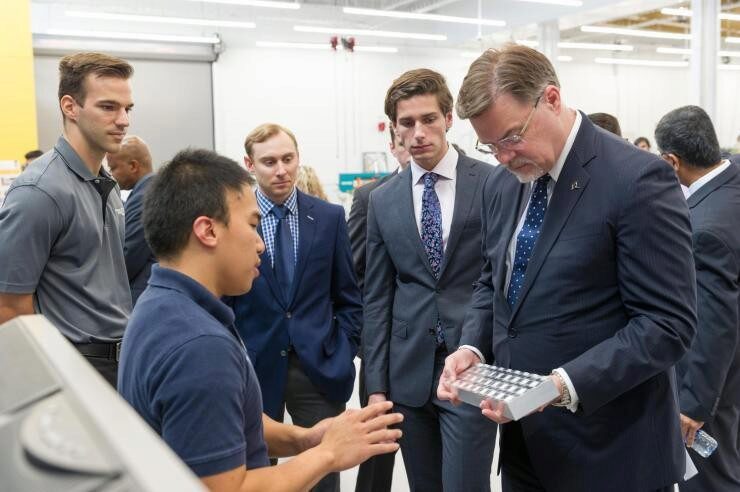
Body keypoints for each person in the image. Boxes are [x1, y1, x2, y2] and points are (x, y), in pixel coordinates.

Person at [438, 45, 697, 492]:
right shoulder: (504, 184)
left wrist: (562, 384)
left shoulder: (637, 180)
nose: (501, 156)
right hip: (526, 448)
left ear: (552, 99)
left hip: (611, 452)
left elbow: (667, 324)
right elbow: (491, 283)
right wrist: (473, 349)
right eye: (489, 144)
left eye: (511, 136)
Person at [118, 148, 403, 492]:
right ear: (207, 231)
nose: (261, 244)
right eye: (253, 226)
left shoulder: (162, 305)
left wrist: (304, 439)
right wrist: (328, 454)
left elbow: (227, 422)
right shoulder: (201, 349)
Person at [363, 68, 497, 492]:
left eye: (428, 119)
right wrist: (376, 386)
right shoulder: (382, 199)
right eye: (407, 123)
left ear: (448, 118)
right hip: (408, 373)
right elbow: (377, 297)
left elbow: (502, 278)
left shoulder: (494, 183)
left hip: (471, 364)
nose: (418, 132)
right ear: (394, 129)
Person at [231, 123, 362, 492]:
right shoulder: (236, 220)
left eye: (288, 159)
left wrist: (342, 348)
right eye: (269, 161)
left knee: (322, 471)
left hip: (318, 367)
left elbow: (349, 296)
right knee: (254, 471)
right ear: (249, 164)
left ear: (298, 158)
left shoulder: (328, 217)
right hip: (253, 367)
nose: (281, 170)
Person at [0, 52, 134, 387]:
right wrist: (52, 381)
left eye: (127, 108)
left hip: (121, 360)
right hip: (73, 367)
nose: (123, 120)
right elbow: (8, 308)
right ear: (70, 107)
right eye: (108, 107)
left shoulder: (107, 184)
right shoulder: (39, 191)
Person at [655, 105, 740, 492]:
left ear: (671, 161)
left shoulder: (703, 226)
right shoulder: (733, 180)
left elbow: (715, 321)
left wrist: (694, 403)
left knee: (710, 480)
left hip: (717, 383)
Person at [348, 126, 410, 492]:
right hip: (383, 345)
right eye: (401, 144)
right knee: (377, 450)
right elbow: (354, 272)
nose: (410, 150)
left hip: (436, 345)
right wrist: (364, 338)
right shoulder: (371, 197)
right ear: (392, 146)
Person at [106, 135, 156, 306]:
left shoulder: (144, 198)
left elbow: (128, 255)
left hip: (141, 294)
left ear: (133, 166)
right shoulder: (151, 191)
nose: (111, 175)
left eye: (113, 168)